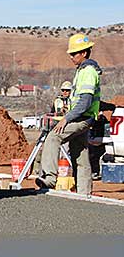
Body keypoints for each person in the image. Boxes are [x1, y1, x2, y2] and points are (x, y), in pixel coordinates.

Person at [36, 33, 101, 195]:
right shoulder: (83, 70)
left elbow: (85, 101)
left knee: (53, 136)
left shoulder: (88, 71)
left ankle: (49, 177)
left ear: (84, 53)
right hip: (84, 117)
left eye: (74, 53)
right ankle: (84, 193)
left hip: (82, 117)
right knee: (80, 155)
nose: (71, 57)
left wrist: (66, 119)